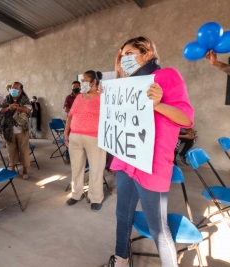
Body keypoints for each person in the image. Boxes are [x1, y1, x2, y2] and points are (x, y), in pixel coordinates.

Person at [104, 36, 194, 267]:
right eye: (122, 55)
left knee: (158, 228)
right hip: (126, 159)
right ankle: (121, 258)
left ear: (147, 54)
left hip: (152, 163)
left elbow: (186, 120)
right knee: (122, 215)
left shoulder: (167, 76)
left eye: (129, 53)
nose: (124, 59)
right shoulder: (126, 84)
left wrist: (159, 104)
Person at [63, 71, 106, 211]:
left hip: (95, 137)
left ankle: (96, 197)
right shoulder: (79, 97)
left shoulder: (102, 97)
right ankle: (76, 194)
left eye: (85, 80)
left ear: (93, 81)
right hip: (75, 136)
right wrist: (66, 132)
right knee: (76, 167)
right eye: (81, 81)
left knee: (96, 168)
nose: (82, 84)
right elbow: (70, 115)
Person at [0, 82, 32, 179]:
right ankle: (12, 169)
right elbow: (0, 111)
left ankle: (25, 170)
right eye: (12, 87)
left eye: (16, 88)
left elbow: (29, 110)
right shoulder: (7, 99)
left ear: (20, 90)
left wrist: (18, 107)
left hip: (22, 130)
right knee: (11, 150)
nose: (13, 89)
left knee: (24, 150)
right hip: (9, 130)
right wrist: (9, 108)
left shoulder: (25, 99)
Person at [62, 81, 81, 164]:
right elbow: (66, 108)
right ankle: (68, 156)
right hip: (71, 121)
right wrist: (74, 113)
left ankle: (79, 157)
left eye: (77, 86)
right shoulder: (68, 97)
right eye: (73, 86)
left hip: (81, 122)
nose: (75, 87)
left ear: (80, 87)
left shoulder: (83, 96)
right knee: (69, 138)